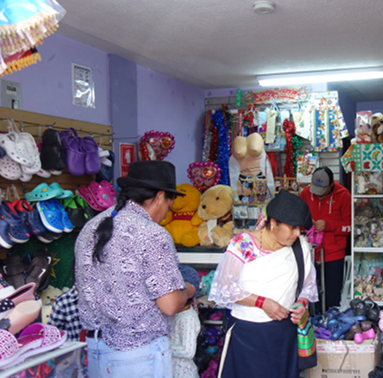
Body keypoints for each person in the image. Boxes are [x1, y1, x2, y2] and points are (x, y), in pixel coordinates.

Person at [75, 161, 196, 378]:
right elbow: (169, 305)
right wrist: (187, 291)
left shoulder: (91, 227)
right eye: (168, 206)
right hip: (139, 354)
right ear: (160, 196)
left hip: (94, 350)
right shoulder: (151, 233)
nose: (165, 214)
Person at [209, 189, 318, 378]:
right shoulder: (243, 244)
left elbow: (308, 284)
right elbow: (225, 288)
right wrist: (263, 303)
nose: (297, 233)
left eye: (300, 228)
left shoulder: (300, 246)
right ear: (273, 223)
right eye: (292, 227)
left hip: (284, 333)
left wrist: (302, 303)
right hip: (248, 333)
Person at [300, 166, 351, 312]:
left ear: (331, 185)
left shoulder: (344, 195)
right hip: (309, 253)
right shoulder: (306, 192)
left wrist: (329, 225)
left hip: (333, 254)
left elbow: (350, 227)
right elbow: (298, 218)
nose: (318, 194)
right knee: (309, 295)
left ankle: (330, 327)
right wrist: (307, 224)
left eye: (322, 190)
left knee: (331, 297)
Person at [170, 265, 201, 378]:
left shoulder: (188, 318)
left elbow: (188, 351)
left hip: (183, 373)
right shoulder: (175, 314)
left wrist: (163, 347)